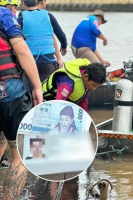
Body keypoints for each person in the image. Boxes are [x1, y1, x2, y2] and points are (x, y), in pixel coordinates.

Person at [0, 6, 43, 199]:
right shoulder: (3, 14)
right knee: (22, 153)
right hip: (7, 87)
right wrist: (37, 87)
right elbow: (22, 51)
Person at [17, 0, 63, 82]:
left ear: (23, 3)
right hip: (49, 61)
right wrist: (62, 50)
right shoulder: (49, 16)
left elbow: (15, 41)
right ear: (36, 2)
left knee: (31, 91)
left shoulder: (21, 19)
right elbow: (61, 35)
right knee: (48, 90)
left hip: (30, 62)